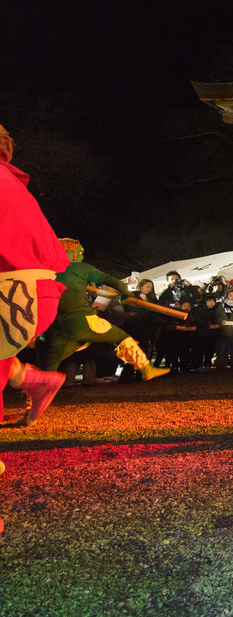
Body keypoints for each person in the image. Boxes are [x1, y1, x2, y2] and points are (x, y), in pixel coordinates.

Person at [0, 123, 69, 431]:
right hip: (37, 291)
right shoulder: (11, 182)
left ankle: (30, 379)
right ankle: (31, 380)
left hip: (14, 290)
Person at [36, 239, 170, 383]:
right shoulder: (79, 268)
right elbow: (112, 280)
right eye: (80, 252)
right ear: (72, 253)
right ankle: (145, 368)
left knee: (46, 369)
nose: (82, 254)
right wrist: (127, 294)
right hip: (82, 321)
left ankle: (32, 396)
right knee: (121, 337)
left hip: (55, 327)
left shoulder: (46, 271)